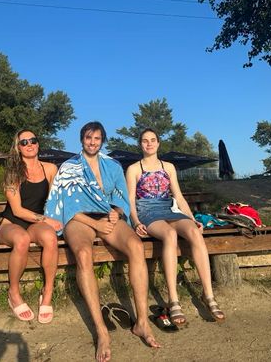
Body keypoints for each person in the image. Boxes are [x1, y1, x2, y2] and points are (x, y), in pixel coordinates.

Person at [45, 121, 160, 362]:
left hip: (106, 217)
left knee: (136, 246)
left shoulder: (112, 165)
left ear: (102, 141)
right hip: (79, 219)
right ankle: (102, 332)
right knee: (84, 254)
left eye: (97, 138)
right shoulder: (69, 167)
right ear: (82, 139)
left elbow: (121, 197)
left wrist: (117, 212)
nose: (92, 142)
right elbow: (65, 205)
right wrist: (95, 224)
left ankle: (142, 322)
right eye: (88, 137)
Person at [125, 128, 226, 327]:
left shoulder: (168, 167)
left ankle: (208, 295)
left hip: (169, 208)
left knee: (194, 232)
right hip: (147, 212)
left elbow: (178, 196)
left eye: (152, 140)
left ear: (158, 143)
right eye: (145, 140)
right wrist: (136, 222)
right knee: (170, 234)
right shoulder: (134, 169)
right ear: (140, 144)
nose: (149, 143)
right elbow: (130, 200)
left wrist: (192, 218)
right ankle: (173, 299)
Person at [0, 129, 62, 324]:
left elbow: (56, 199)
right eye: (23, 142)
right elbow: (17, 211)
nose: (29, 144)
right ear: (18, 148)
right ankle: (13, 292)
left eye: (32, 140)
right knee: (22, 239)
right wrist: (47, 220)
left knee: (50, 238)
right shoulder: (12, 173)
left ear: (38, 143)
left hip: (37, 223)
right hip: (12, 222)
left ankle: (47, 292)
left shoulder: (50, 169)